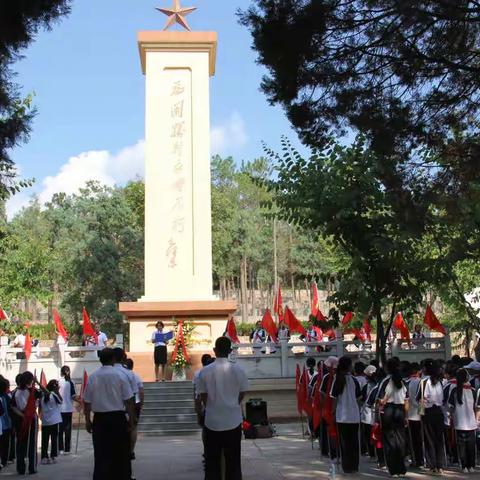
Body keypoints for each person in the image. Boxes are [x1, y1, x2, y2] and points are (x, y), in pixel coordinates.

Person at [197, 336, 249, 480]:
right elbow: (242, 393)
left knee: (212, 462)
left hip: (212, 420)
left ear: (214, 350)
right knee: (233, 461)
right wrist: (232, 404)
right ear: (230, 351)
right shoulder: (238, 369)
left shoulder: (205, 371)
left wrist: (213, 406)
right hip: (233, 420)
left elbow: (203, 396)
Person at [83, 348, 136, 480]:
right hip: (117, 418)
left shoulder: (93, 377)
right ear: (113, 359)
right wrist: (131, 420)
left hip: (100, 420)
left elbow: (87, 402)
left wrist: (88, 421)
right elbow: (129, 401)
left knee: (101, 453)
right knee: (121, 453)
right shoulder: (120, 376)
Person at [376, 357, 408, 477]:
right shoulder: (402, 381)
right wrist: (406, 416)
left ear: (387, 368)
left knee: (390, 441)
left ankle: (394, 470)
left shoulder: (385, 381)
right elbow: (406, 400)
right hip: (400, 411)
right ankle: (401, 469)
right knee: (400, 440)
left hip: (388, 411)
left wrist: (381, 404)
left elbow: (380, 399)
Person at [330, 356, 361, 474]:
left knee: (344, 444)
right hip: (353, 416)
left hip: (342, 416)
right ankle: (354, 466)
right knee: (354, 443)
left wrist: (333, 413)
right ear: (348, 366)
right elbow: (358, 398)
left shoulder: (336, 380)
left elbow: (334, 399)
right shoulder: (354, 380)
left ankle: (347, 466)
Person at [418, 359, 447, 474]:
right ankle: (440, 466)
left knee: (429, 439)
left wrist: (421, 414)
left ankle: (432, 466)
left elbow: (421, 399)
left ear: (426, 369)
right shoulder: (441, 381)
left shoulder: (424, 381)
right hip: (439, 412)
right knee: (439, 440)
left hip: (428, 413)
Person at [11, 371, 42, 475]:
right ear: (30, 380)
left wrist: (22, 415)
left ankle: (21, 468)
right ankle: (32, 468)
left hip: (20, 420)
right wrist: (37, 382)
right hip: (31, 419)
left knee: (20, 443)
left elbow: (13, 407)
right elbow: (46, 393)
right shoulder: (32, 391)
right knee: (32, 444)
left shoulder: (15, 392)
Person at [449, 368, 477, 473]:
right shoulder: (473, 390)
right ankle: (471, 466)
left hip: (459, 423)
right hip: (471, 423)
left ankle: (464, 466)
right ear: (467, 377)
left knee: (461, 446)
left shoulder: (454, 390)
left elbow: (450, 407)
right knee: (471, 446)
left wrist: (452, 416)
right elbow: (475, 407)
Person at [405, 362, 424, 468]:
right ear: (418, 371)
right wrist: (422, 413)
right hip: (419, 415)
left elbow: (405, 400)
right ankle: (421, 460)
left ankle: (415, 460)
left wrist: (406, 415)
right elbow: (421, 399)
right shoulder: (421, 382)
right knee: (420, 439)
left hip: (410, 414)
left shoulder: (406, 383)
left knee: (412, 439)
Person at [40, 379, 63, 464]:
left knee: (45, 440)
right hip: (54, 421)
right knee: (54, 439)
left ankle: (44, 457)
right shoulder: (54, 395)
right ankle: (53, 456)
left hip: (45, 421)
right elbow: (61, 401)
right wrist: (58, 392)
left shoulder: (42, 396)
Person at [125, 358, 144, 460]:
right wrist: (141, 404)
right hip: (135, 403)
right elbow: (141, 391)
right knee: (134, 427)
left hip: (123, 403)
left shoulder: (120, 375)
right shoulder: (136, 376)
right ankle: (131, 450)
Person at [58, 365, 79, 455]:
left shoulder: (58, 382)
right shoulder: (71, 382)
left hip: (59, 409)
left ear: (61, 372)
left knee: (60, 430)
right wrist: (80, 400)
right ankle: (67, 449)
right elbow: (73, 396)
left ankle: (60, 449)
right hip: (68, 409)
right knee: (67, 430)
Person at [360, 365, 377, 459]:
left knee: (368, 434)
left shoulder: (367, 386)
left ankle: (371, 453)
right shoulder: (379, 385)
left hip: (368, 414)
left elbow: (362, 399)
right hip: (375, 414)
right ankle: (374, 452)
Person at [0, 377, 12, 467]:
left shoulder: (5, 397)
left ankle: (4, 460)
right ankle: (4, 461)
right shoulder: (6, 397)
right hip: (5, 424)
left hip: (5, 424)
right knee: (5, 444)